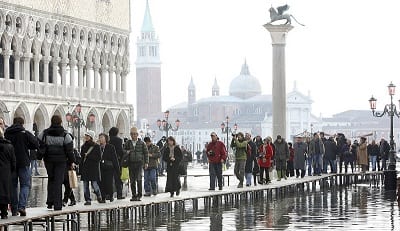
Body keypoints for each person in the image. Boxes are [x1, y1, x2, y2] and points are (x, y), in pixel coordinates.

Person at [38, 115, 74, 211]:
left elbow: (39, 142)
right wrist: (72, 161)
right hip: (61, 161)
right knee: (58, 181)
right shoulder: (65, 134)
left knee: (51, 179)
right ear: (61, 122)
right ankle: (57, 205)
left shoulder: (45, 133)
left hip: (48, 160)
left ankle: (50, 202)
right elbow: (70, 150)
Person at [5, 117, 39, 216]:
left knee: (13, 185)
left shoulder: (7, 133)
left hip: (11, 163)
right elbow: (36, 144)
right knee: (25, 185)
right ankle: (22, 206)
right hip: (23, 162)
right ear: (22, 124)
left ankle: (14, 209)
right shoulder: (25, 133)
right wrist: (27, 145)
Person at [124, 127, 149, 201]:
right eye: (132, 134)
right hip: (131, 163)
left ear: (137, 134)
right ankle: (134, 195)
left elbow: (146, 153)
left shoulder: (142, 143)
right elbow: (124, 150)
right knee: (132, 180)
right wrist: (126, 152)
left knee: (139, 179)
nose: (133, 135)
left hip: (139, 163)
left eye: (134, 134)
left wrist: (146, 162)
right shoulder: (128, 142)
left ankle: (139, 194)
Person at [80, 130, 102, 205]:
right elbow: (82, 159)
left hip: (93, 168)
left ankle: (99, 195)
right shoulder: (83, 146)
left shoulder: (96, 147)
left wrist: (88, 156)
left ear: (91, 137)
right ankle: (88, 200)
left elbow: (99, 157)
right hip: (85, 168)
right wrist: (80, 169)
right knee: (85, 185)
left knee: (94, 184)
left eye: (87, 136)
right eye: (85, 135)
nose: (86, 137)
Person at [0, 127, 16, 219]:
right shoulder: (9, 146)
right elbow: (13, 162)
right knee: (4, 191)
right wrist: (10, 171)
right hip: (5, 173)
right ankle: (4, 213)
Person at [108, 127, 125, 199]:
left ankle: (109, 195)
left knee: (109, 178)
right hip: (117, 161)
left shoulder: (108, 140)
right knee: (118, 178)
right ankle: (119, 194)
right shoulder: (119, 140)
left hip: (108, 161)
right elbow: (120, 151)